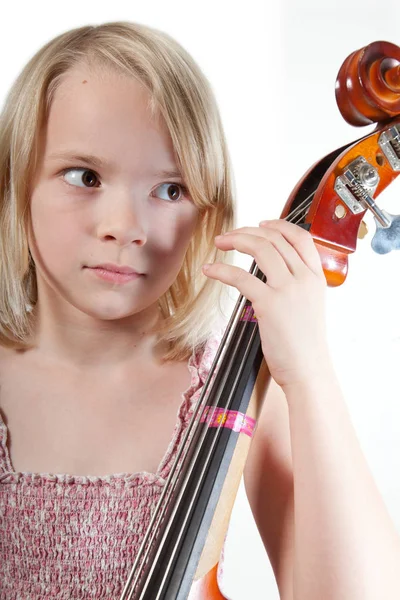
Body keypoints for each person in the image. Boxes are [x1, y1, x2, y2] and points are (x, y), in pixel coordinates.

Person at [0, 20, 398, 600]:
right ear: (16, 185)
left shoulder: (241, 389)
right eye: (84, 176)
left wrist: (310, 374)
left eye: (169, 189)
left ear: (207, 207)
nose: (123, 228)